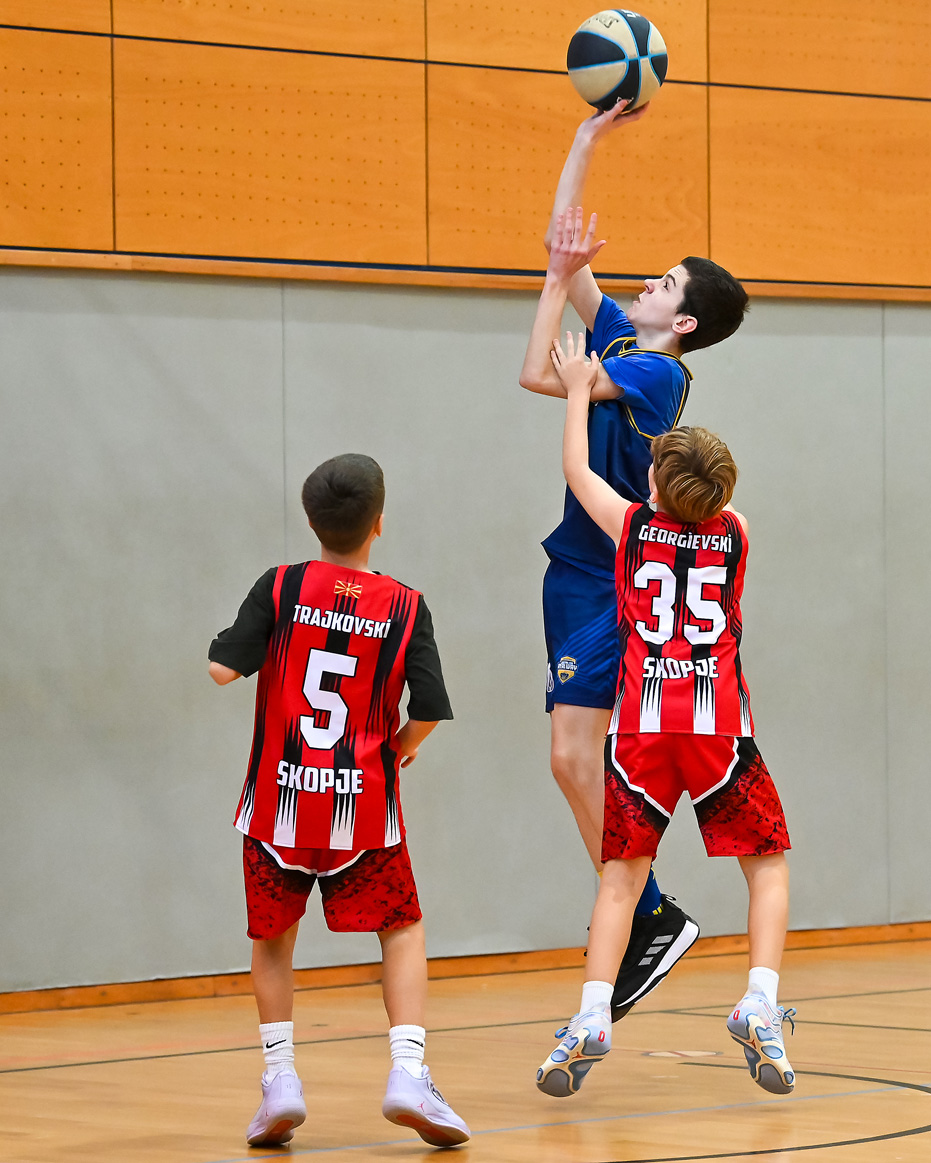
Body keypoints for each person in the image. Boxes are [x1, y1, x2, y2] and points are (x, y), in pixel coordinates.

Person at [519, 99, 750, 1019]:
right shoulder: (622, 337)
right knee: (568, 758)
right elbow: (568, 252)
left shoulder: (657, 373)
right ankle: (649, 911)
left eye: (662, 283)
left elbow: (539, 373)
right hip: (574, 568)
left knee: (573, 753)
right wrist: (583, 141)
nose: (644, 284)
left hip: (609, 578)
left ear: (682, 321)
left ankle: (647, 913)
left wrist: (553, 283)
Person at [535, 334, 793, 1099]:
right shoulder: (735, 532)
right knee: (767, 866)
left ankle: (591, 1014)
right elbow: (707, 494)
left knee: (620, 879)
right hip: (719, 734)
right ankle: (758, 1000)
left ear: (652, 481)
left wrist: (577, 390)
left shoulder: (631, 529)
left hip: (641, 735)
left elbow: (577, 469)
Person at [208, 453, 470, 1149]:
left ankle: (280, 1079)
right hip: (363, 807)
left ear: (310, 520)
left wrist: (235, 640)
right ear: (379, 522)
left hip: (278, 805)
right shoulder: (405, 605)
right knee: (401, 928)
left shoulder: (281, 586)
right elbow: (430, 707)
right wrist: (401, 745)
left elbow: (222, 669)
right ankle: (407, 1070)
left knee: (273, 940)